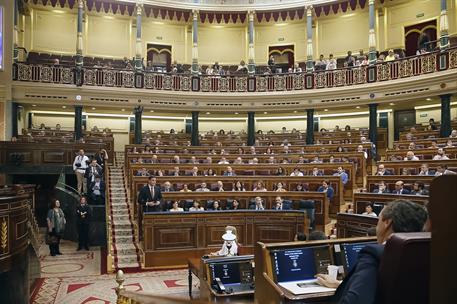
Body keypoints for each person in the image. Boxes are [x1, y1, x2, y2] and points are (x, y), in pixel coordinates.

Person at [316, 200, 428, 303]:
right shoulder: (425, 254)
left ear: (387, 223)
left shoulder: (374, 253)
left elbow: (357, 300)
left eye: (379, 219)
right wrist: (340, 284)